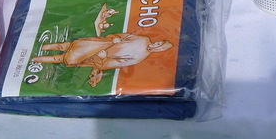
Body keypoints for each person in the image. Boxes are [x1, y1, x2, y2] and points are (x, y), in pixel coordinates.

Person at [31, 32, 173, 87]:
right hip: (101, 44)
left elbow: (117, 63)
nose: (156, 45)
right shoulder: (144, 39)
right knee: (66, 45)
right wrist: (116, 38)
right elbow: (126, 36)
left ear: (159, 50)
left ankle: (34, 59)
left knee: (61, 58)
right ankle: (38, 46)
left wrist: (103, 59)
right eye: (159, 43)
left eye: (160, 47)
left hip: (98, 56)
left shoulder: (139, 58)